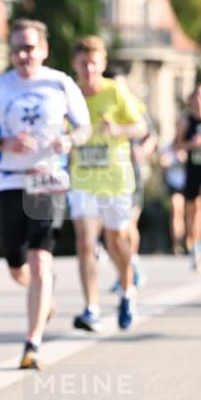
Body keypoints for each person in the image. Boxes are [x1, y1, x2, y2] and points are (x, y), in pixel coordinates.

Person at [0, 18, 91, 369]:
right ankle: (44, 295)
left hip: (48, 179)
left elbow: (84, 127)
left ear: (44, 49)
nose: (24, 55)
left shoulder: (61, 83)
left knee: (40, 260)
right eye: (18, 48)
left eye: (31, 47)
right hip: (9, 179)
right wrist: (5, 142)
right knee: (18, 267)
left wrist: (68, 139)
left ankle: (32, 343)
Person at [67, 37, 147, 332]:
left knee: (117, 242)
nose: (88, 69)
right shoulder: (71, 94)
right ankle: (92, 308)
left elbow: (141, 127)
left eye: (94, 63)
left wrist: (119, 129)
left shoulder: (116, 92)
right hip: (83, 179)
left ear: (102, 64)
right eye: (83, 63)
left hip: (115, 179)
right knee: (86, 241)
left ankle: (127, 292)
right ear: (75, 65)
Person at [174, 84, 201, 272]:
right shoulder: (186, 121)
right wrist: (191, 144)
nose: (199, 101)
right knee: (194, 213)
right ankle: (196, 247)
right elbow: (176, 146)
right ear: (192, 100)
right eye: (196, 97)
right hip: (193, 171)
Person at [158, 142, 187, 255]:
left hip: (189, 184)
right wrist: (175, 157)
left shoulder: (188, 145)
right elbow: (163, 162)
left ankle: (189, 242)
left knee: (189, 214)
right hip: (174, 185)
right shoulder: (168, 148)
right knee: (176, 212)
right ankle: (177, 244)